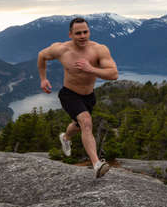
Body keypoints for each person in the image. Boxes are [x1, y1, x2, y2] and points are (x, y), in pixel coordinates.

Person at [37, 17, 118, 178]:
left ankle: (66, 137)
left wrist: (91, 69)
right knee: (86, 122)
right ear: (70, 34)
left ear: (89, 32)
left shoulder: (99, 49)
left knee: (78, 125)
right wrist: (43, 78)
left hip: (89, 96)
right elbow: (42, 56)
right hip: (69, 94)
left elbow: (113, 74)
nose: (82, 36)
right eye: (78, 33)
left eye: (85, 32)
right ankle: (96, 164)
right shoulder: (61, 50)